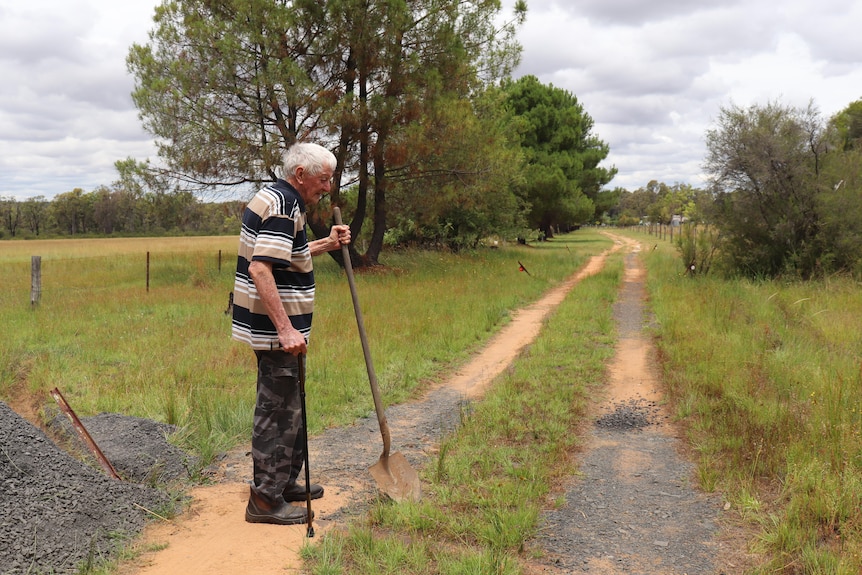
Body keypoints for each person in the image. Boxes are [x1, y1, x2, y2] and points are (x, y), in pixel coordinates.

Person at [231, 142, 351, 525]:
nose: (327, 187)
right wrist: (285, 329)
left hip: (277, 330)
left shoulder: (278, 198)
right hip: (276, 332)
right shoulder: (284, 206)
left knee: (290, 407)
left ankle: (283, 483)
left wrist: (327, 244)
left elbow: (287, 255)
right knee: (277, 411)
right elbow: (261, 270)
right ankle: (265, 500)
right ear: (300, 174)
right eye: (323, 179)